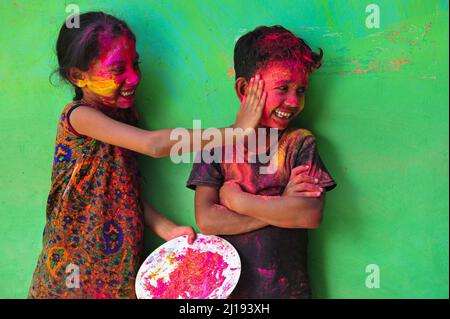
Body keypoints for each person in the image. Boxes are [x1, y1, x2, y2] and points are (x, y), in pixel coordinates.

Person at [29, 11, 265, 299]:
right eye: (118, 70)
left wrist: (167, 229)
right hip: (71, 272)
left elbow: (123, 191)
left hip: (118, 269)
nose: (133, 77)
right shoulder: (78, 118)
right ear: (78, 76)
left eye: (135, 64)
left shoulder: (125, 115)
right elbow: (154, 145)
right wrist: (235, 131)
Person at [187, 25, 337, 299]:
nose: (293, 101)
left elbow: (309, 214)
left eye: (301, 90)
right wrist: (282, 208)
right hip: (229, 295)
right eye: (282, 88)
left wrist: (238, 202)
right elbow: (207, 220)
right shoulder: (215, 145)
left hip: (289, 292)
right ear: (244, 89)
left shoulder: (300, 143)